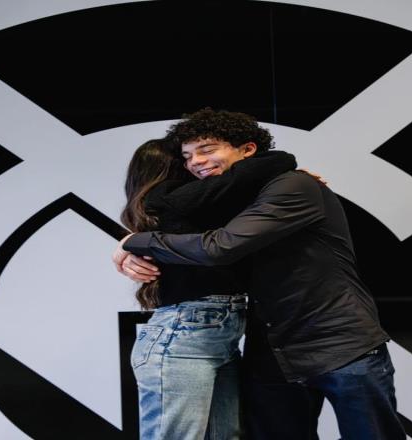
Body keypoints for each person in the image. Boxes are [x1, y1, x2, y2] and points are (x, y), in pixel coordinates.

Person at [114, 108, 407, 439]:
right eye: (187, 157)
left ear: (248, 150)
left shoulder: (294, 185)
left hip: (339, 342)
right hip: (271, 352)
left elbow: (220, 246)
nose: (196, 162)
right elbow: (177, 222)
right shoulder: (231, 200)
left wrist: (133, 242)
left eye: (207, 149)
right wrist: (131, 246)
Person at [120, 136, 297, 440]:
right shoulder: (171, 199)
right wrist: (289, 173)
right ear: (170, 168)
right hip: (184, 336)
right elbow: (272, 163)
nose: (196, 164)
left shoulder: (180, 209)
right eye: (185, 159)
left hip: (212, 336)